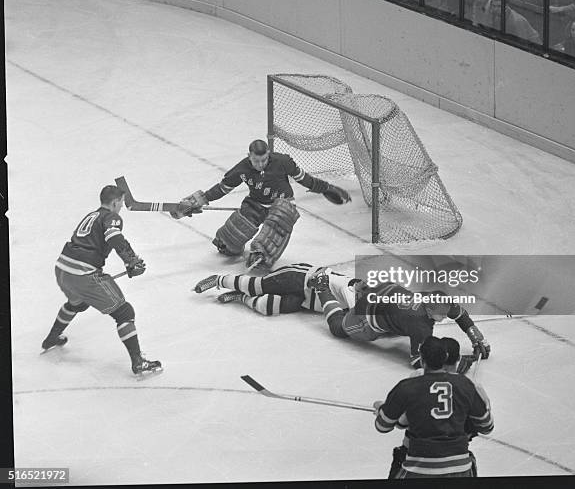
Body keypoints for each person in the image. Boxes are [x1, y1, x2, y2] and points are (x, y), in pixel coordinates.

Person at [172, 140, 351, 268]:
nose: (260, 164)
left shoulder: (283, 162)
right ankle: (230, 243)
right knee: (229, 241)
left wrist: (326, 188)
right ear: (248, 156)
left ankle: (263, 254)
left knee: (275, 228)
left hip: (282, 204)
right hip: (255, 203)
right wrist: (201, 200)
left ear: (268, 155)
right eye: (256, 161)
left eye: (264, 160)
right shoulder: (241, 169)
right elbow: (222, 188)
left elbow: (305, 179)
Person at [41, 185, 161, 377]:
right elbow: (114, 237)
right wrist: (132, 260)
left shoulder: (92, 215)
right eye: (121, 202)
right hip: (83, 274)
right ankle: (139, 363)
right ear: (115, 202)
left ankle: (51, 339)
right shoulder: (112, 217)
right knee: (124, 312)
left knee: (77, 304)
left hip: (63, 268)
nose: (122, 206)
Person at [308, 275, 491, 369]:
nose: (444, 318)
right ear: (428, 311)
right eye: (441, 316)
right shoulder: (419, 324)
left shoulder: (437, 301)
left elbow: (460, 314)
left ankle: (359, 294)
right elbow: (417, 361)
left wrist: (476, 337)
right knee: (338, 328)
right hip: (368, 313)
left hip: (388, 290)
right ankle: (322, 287)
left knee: (394, 325)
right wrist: (451, 364)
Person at [375, 336, 494, 479]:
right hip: (459, 467)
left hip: (418, 465)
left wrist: (382, 409)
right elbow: (487, 426)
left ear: (422, 360)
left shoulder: (410, 383)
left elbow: (390, 425)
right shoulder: (467, 385)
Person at [193, 263, 355, 316]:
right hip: (299, 278)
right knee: (258, 286)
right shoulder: (349, 289)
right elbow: (322, 274)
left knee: (266, 307)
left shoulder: (359, 302)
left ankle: (240, 297)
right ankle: (218, 280)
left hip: (304, 301)